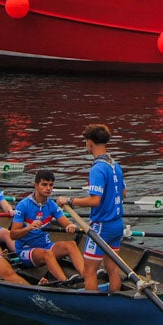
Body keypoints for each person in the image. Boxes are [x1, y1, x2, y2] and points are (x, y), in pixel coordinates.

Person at [57, 123, 126, 292]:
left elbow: (95, 201)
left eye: (85, 142)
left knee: (89, 272)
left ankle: (93, 307)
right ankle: (114, 302)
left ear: (90, 143)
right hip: (118, 225)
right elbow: (123, 194)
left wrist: (70, 200)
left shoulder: (97, 168)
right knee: (113, 269)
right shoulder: (115, 165)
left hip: (102, 227)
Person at [10, 169, 80, 284]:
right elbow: (13, 235)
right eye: (44, 184)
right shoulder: (23, 205)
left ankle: (88, 278)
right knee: (47, 253)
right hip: (26, 249)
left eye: (51, 185)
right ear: (36, 186)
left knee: (71, 245)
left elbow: (66, 222)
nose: (48, 188)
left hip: (46, 246)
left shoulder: (51, 204)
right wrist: (29, 227)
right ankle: (65, 283)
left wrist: (71, 226)